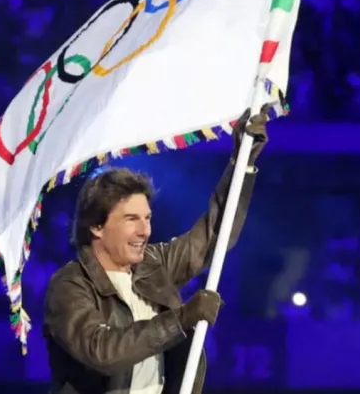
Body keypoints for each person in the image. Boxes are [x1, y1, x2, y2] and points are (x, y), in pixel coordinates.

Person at [44, 106, 271, 394]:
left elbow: (215, 233)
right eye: (131, 219)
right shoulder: (70, 285)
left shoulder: (153, 264)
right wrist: (181, 318)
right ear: (96, 227)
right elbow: (101, 351)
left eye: (147, 218)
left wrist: (243, 163)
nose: (144, 230)